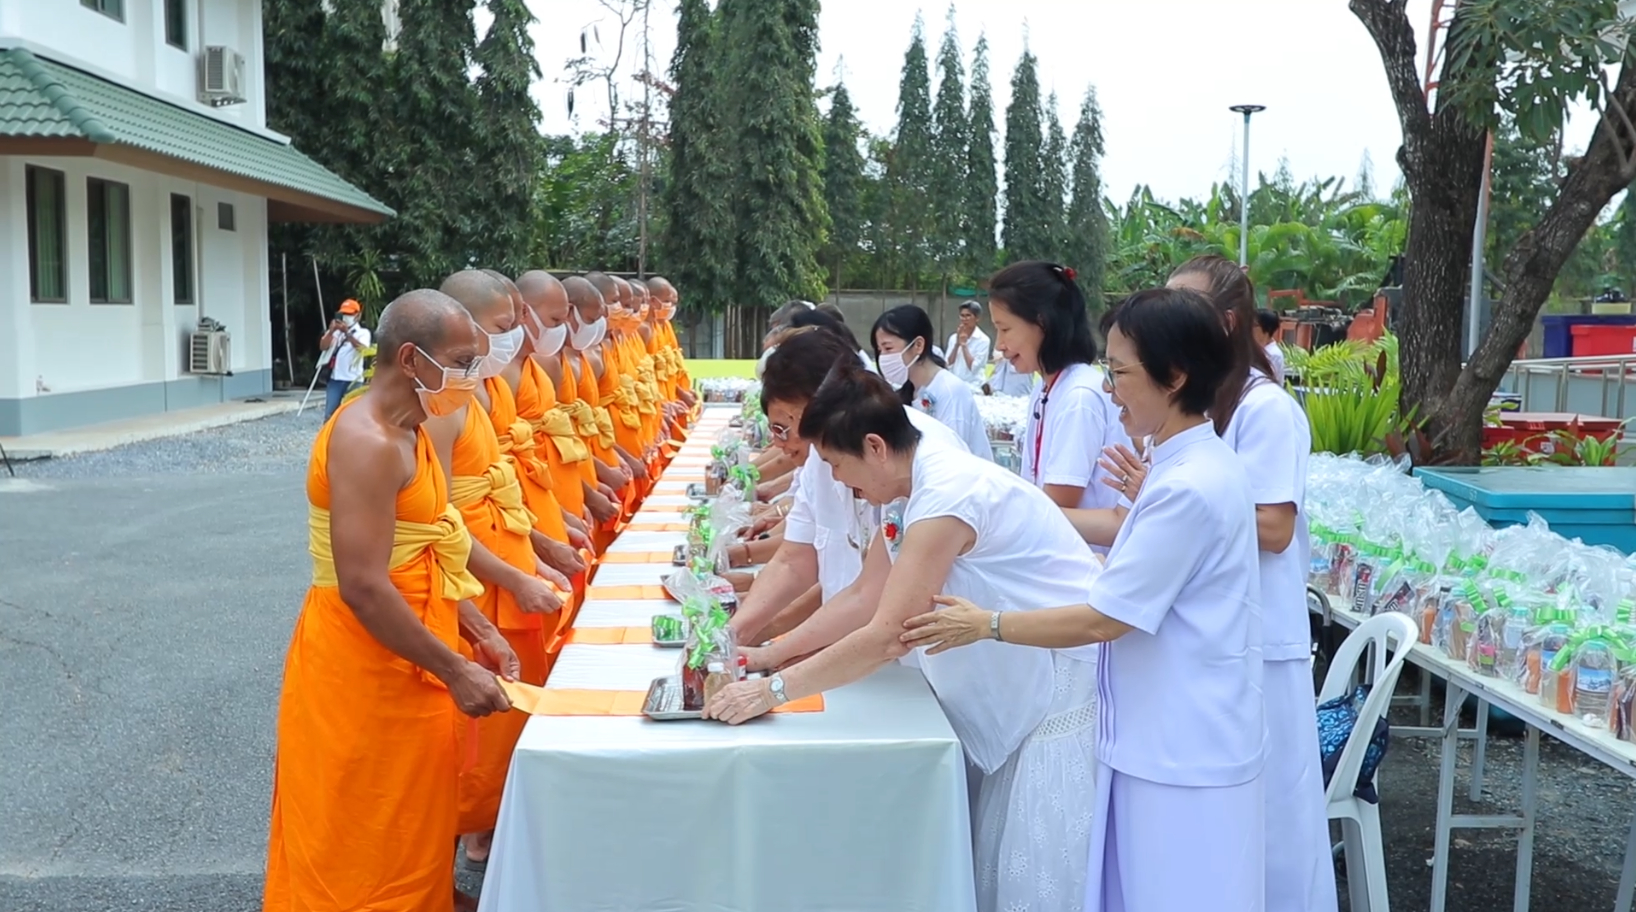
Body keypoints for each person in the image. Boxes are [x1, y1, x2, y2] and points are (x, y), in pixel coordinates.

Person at [900, 286, 1265, 912]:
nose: (1110, 390)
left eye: (1120, 372)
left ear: (1174, 377)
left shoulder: (1189, 485)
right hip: (1172, 731)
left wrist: (988, 624)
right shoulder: (1186, 468)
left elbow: (1104, 619)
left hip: (1181, 742)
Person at [707, 363, 1100, 912]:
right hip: (1023, 672)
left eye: (836, 466)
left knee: (1040, 862)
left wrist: (771, 691)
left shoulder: (944, 493)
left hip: (1060, 678)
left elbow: (891, 633)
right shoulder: (903, 488)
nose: (839, 482)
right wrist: (770, 655)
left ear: (874, 447)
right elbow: (868, 594)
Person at [263, 289, 516, 912]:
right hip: (364, 660)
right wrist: (453, 667)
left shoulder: (414, 427)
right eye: (461, 361)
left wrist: (477, 625)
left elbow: (425, 547)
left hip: (416, 648)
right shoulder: (367, 439)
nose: (473, 376)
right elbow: (365, 587)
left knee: (412, 809)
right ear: (410, 359)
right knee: (360, 821)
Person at [1167, 255, 1332, 912]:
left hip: (1264, 642)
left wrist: (1175, 500)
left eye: (1184, 306)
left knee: (1275, 829)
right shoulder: (1205, 408)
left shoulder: (1266, 410)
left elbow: (1273, 529)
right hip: (1217, 635)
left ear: (1226, 321)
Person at [433, 270, 573, 866]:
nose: (514, 336)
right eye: (502, 327)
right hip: (476, 580)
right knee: (482, 726)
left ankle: (499, 817)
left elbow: (503, 484)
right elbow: (435, 519)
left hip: (510, 557)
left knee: (515, 709)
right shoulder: (441, 408)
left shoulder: (483, 391)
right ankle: (475, 827)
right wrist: (513, 575)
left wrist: (539, 548)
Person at [726, 328, 968, 647]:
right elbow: (795, 559)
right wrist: (734, 633)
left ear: (821, 404)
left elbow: (869, 593)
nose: (779, 443)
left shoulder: (916, 458)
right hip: (852, 653)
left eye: (783, 428)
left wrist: (774, 656)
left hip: (911, 657)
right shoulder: (821, 455)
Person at [987, 261, 1131, 513]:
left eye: (1005, 329)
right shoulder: (1046, 387)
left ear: (1043, 322)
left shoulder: (1079, 397)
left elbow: (1056, 506)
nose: (999, 344)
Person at [872, 304, 995, 460]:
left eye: (888, 348)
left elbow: (953, 459)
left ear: (918, 345)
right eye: (879, 350)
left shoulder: (950, 392)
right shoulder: (909, 391)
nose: (883, 357)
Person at [319, 299, 371, 419]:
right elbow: (323, 346)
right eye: (344, 314)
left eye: (350, 314)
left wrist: (347, 333)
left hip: (353, 379)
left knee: (352, 415)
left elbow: (363, 349)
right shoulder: (336, 332)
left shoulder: (363, 333)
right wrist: (331, 331)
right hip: (335, 378)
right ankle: (329, 437)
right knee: (330, 414)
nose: (346, 317)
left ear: (357, 316)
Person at [946, 300, 992, 390]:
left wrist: (964, 345)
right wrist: (957, 345)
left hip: (974, 387)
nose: (964, 319)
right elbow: (948, 364)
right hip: (955, 385)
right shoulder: (953, 338)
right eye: (962, 316)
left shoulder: (983, 340)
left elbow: (974, 367)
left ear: (977, 318)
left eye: (968, 316)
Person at [1255, 308, 1286, 384]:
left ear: (1267, 329)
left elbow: (1264, 382)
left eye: (1254, 325)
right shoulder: (1258, 350)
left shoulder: (1273, 354)